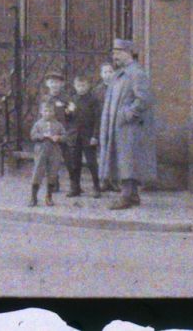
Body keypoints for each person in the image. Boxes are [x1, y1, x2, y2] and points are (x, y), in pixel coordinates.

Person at [97, 40, 157, 209]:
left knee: (127, 161)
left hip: (130, 127)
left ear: (128, 53)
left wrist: (127, 114)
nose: (114, 56)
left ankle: (126, 196)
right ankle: (133, 195)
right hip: (118, 126)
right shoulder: (120, 74)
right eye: (114, 52)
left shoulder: (136, 73)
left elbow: (144, 99)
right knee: (123, 159)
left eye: (117, 52)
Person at [64, 68, 104, 198]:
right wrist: (68, 113)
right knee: (75, 163)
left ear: (88, 86)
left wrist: (95, 136)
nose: (81, 88)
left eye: (83, 85)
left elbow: (98, 119)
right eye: (78, 86)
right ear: (75, 86)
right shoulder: (72, 99)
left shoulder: (93, 100)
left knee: (92, 163)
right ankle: (75, 187)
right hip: (75, 136)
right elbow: (68, 119)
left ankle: (96, 187)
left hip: (88, 136)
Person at [27, 95, 66, 208]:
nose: (48, 113)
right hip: (41, 150)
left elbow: (65, 136)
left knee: (52, 173)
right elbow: (32, 135)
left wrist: (58, 137)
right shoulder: (38, 124)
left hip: (54, 151)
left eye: (50, 111)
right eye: (45, 111)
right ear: (41, 112)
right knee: (38, 172)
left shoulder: (58, 124)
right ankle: (33, 197)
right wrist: (42, 136)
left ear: (54, 112)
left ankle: (49, 196)